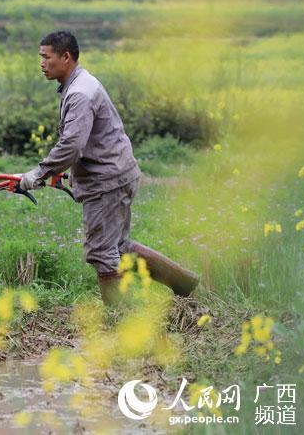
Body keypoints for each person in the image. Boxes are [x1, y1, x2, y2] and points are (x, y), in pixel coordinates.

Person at [18, 31, 198, 304]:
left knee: (103, 253)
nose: (42, 63)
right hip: (117, 173)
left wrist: (39, 173)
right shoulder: (81, 83)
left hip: (107, 182)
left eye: (46, 57)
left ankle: (120, 319)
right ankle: (183, 283)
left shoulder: (79, 93)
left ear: (65, 57)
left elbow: (72, 144)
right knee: (119, 247)